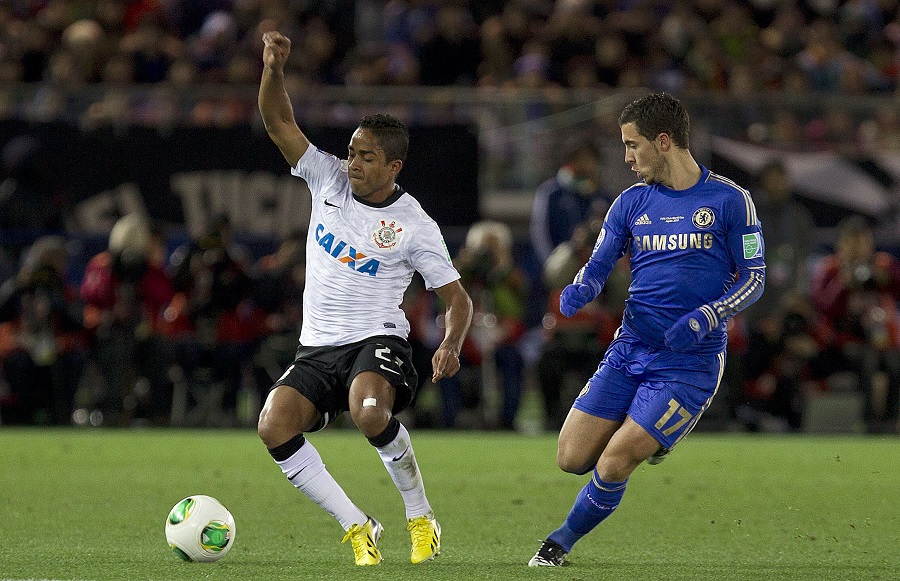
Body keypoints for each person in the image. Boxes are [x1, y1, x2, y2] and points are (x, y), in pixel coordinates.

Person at [256, 31, 473, 567]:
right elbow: (279, 123)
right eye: (351, 152)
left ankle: (420, 515)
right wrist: (274, 70)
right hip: (316, 347)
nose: (352, 163)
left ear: (393, 167)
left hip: (377, 341)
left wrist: (450, 343)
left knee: (369, 410)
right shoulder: (324, 177)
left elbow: (457, 297)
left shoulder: (414, 225)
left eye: (366, 157)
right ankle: (357, 524)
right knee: (273, 425)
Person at [528, 92, 766, 567]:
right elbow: (598, 264)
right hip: (630, 349)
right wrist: (582, 287)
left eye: (632, 145)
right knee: (571, 459)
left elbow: (754, 277)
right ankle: (649, 430)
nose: (626, 156)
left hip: (690, 363)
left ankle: (557, 545)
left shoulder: (729, 200)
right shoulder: (630, 203)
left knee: (615, 461)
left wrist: (709, 315)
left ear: (663, 141)